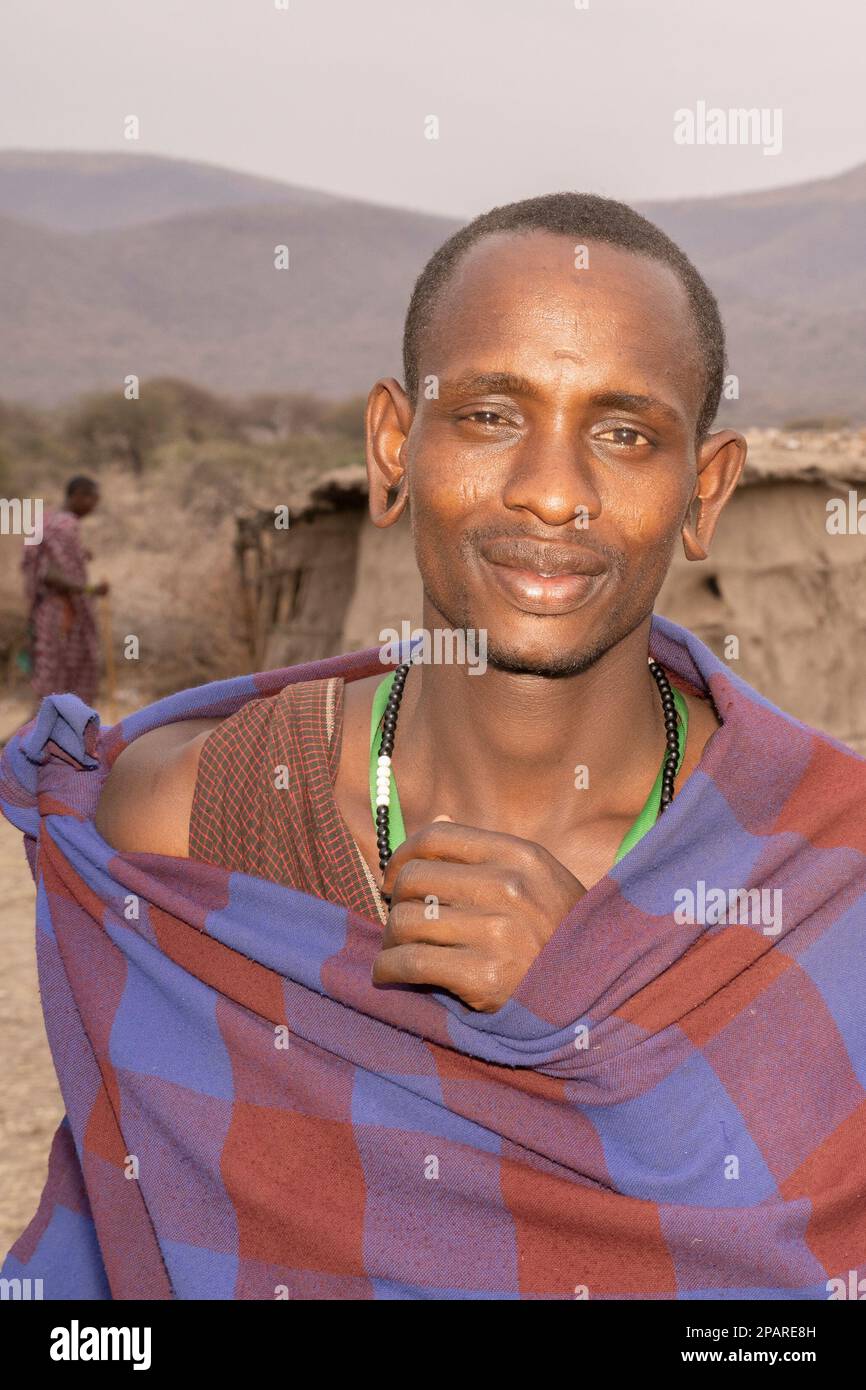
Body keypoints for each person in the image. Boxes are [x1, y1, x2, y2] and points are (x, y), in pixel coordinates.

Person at [5, 194, 864, 1301]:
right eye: (491, 416)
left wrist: (603, 1028)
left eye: (623, 433)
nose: (551, 490)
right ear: (393, 444)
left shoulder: (822, 871)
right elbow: (119, 1246)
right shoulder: (191, 826)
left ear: (701, 492)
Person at [21, 475, 108, 709]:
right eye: (92, 499)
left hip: (45, 612)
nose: (94, 505)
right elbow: (50, 575)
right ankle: (28, 740)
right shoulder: (65, 526)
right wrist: (90, 589)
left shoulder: (47, 520)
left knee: (53, 685)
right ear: (78, 495)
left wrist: (80, 553)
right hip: (61, 614)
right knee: (61, 686)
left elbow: (45, 559)